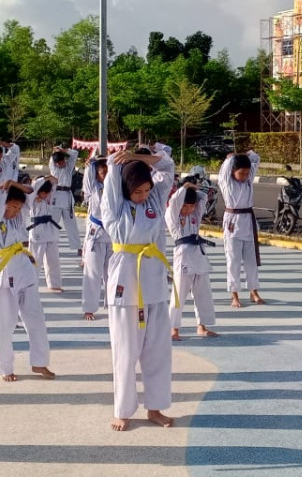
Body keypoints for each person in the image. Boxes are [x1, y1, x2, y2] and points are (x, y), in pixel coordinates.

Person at [102, 149, 178, 431]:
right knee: (125, 351)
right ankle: (123, 410)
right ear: (125, 187)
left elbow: (168, 166)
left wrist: (141, 158)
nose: (143, 194)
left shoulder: (155, 201)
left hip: (154, 279)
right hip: (125, 281)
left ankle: (155, 408)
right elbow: (112, 167)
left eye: (146, 189)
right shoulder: (115, 206)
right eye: (137, 190)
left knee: (157, 350)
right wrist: (122, 160)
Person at [0, 179, 55, 382]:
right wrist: (5, 187)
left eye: (18, 207)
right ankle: (4, 367)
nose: (15, 210)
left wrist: (15, 185)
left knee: (36, 318)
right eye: (12, 206)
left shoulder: (18, 217)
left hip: (24, 266)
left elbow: (32, 191)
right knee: (4, 322)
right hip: (3, 271)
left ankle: (39, 362)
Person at [167, 181, 217, 341]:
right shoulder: (173, 216)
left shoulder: (195, 215)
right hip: (183, 256)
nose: (189, 210)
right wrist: (183, 187)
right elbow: (174, 201)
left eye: (191, 206)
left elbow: (203, 198)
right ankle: (173, 329)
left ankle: (202, 326)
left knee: (203, 293)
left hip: (199, 255)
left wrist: (194, 189)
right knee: (178, 295)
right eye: (185, 206)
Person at [218, 150, 264, 308]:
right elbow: (226, 166)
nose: (244, 176)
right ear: (233, 171)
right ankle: (234, 295)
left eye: (246, 173)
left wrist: (243, 155)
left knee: (251, 262)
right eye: (241, 173)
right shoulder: (226, 182)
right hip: (232, 222)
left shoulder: (249, 180)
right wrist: (232, 158)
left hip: (248, 222)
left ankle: (254, 291)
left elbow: (255, 158)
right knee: (233, 261)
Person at [81, 154, 111, 320]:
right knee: (92, 272)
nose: (105, 175)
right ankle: (89, 308)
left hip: (113, 234)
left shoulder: (116, 188)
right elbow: (88, 177)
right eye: (102, 172)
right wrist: (89, 165)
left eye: (108, 172)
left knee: (112, 273)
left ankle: (112, 303)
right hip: (96, 232)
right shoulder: (93, 188)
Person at [48, 146, 82, 254]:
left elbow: (75, 153)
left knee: (71, 224)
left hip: (67, 196)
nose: (61, 164)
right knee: (53, 223)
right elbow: (52, 158)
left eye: (62, 162)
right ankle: (49, 245)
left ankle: (78, 247)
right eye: (58, 163)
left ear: (64, 160)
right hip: (55, 197)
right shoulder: (53, 167)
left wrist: (63, 150)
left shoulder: (69, 166)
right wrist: (55, 151)